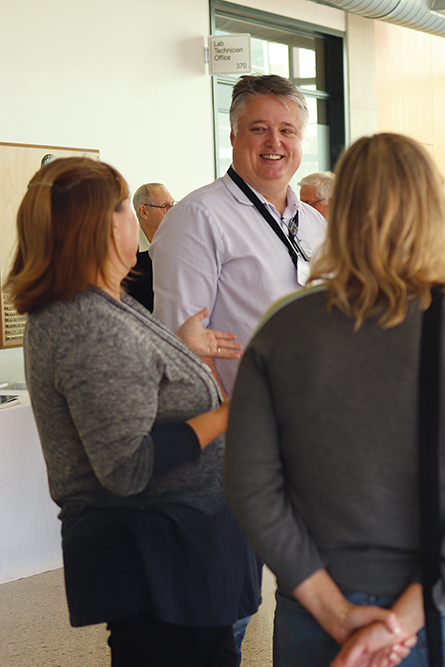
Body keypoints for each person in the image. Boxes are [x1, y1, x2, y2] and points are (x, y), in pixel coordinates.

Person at [225, 133, 445, 667]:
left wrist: (335, 611)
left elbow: (252, 487)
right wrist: (408, 616)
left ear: (340, 215)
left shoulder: (281, 329)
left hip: (317, 601)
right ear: (436, 212)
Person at [2, 157, 260, 667]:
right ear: (103, 225)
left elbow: (131, 376)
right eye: (126, 207)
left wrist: (177, 348)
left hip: (173, 558)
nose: (138, 220)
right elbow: (127, 466)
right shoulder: (86, 322)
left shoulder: (99, 304)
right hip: (159, 560)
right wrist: (232, 413)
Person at [151, 74, 326, 395]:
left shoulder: (314, 222)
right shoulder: (197, 218)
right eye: (259, 129)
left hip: (312, 418)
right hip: (243, 426)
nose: (275, 142)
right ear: (233, 135)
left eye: (287, 130)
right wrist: (228, 425)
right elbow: (183, 343)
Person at [125, 182, 174, 312]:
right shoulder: (126, 254)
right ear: (144, 212)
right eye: (165, 206)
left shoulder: (179, 246)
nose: (172, 212)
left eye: (173, 205)